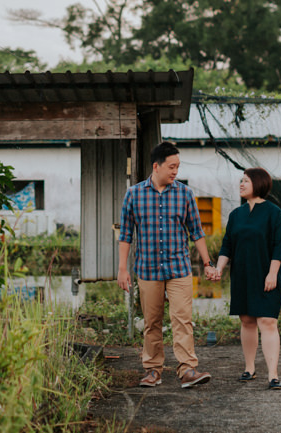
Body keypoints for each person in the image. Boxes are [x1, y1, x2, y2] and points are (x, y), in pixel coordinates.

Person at [117, 141, 218, 389]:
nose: (175, 171)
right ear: (156, 166)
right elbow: (126, 235)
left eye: (178, 166)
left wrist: (207, 262)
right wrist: (122, 268)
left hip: (178, 269)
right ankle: (153, 370)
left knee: (182, 319)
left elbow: (197, 232)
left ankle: (187, 370)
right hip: (148, 270)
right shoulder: (134, 194)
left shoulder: (184, 194)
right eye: (171, 166)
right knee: (152, 322)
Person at [214, 167, 281, 390]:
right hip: (242, 275)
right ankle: (249, 369)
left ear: (259, 183)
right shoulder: (236, 215)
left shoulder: (275, 214)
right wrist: (219, 269)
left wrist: (273, 273)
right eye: (241, 181)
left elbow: (278, 247)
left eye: (246, 181)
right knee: (246, 320)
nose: (241, 184)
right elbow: (227, 245)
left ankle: (273, 375)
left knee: (268, 322)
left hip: (266, 274)